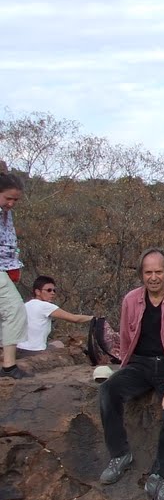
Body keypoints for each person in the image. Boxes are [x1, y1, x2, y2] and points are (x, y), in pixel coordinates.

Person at [97, 248, 164, 500]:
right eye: (148, 272)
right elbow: (125, 337)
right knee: (108, 391)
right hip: (140, 364)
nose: (153, 277)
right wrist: (124, 370)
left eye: (158, 272)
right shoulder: (131, 300)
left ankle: (158, 477)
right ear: (141, 274)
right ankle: (120, 454)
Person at [0, 162, 31, 379]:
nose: (11, 203)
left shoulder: (6, 213)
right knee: (15, 309)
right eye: (7, 198)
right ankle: (9, 366)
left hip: (7, 268)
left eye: (15, 200)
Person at [17, 275, 93, 354]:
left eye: (54, 290)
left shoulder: (26, 305)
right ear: (37, 292)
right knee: (61, 346)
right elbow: (75, 319)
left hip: (18, 348)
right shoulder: (45, 306)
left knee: (57, 343)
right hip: (34, 350)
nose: (52, 293)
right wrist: (93, 318)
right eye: (49, 290)